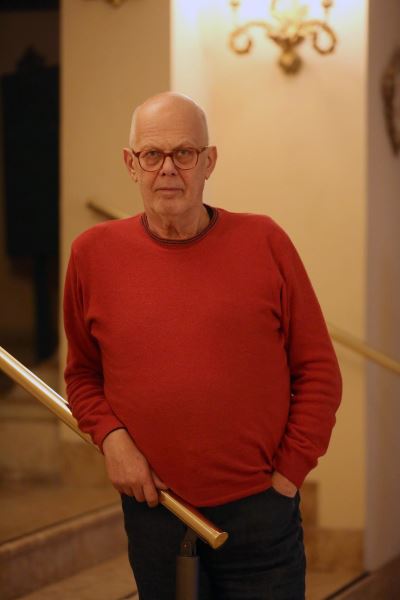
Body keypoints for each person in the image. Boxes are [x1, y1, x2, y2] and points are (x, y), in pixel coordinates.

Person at [63, 92, 342, 600]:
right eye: (152, 154)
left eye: (184, 153)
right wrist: (111, 438)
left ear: (209, 161)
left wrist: (287, 476)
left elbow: (319, 370)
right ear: (131, 164)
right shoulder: (91, 255)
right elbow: (82, 375)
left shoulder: (265, 241)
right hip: (156, 511)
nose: (168, 168)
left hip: (260, 511)